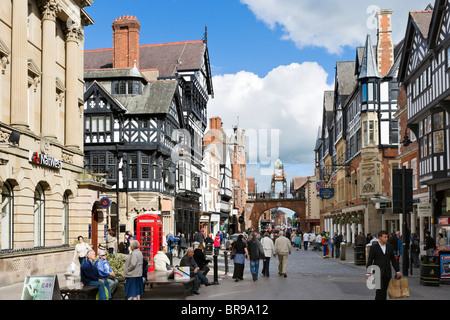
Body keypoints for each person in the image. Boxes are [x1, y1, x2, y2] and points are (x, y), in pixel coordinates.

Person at [366, 230, 401, 300]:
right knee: (380, 290)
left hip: (387, 272)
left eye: (387, 237)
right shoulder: (374, 248)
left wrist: (397, 271)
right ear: (380, 238)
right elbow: (370, 260)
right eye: (385, 237)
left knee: (384, 290)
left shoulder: (389, 247)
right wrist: (368, 273)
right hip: (377, 272)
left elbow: (393, 260)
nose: (387, 239)